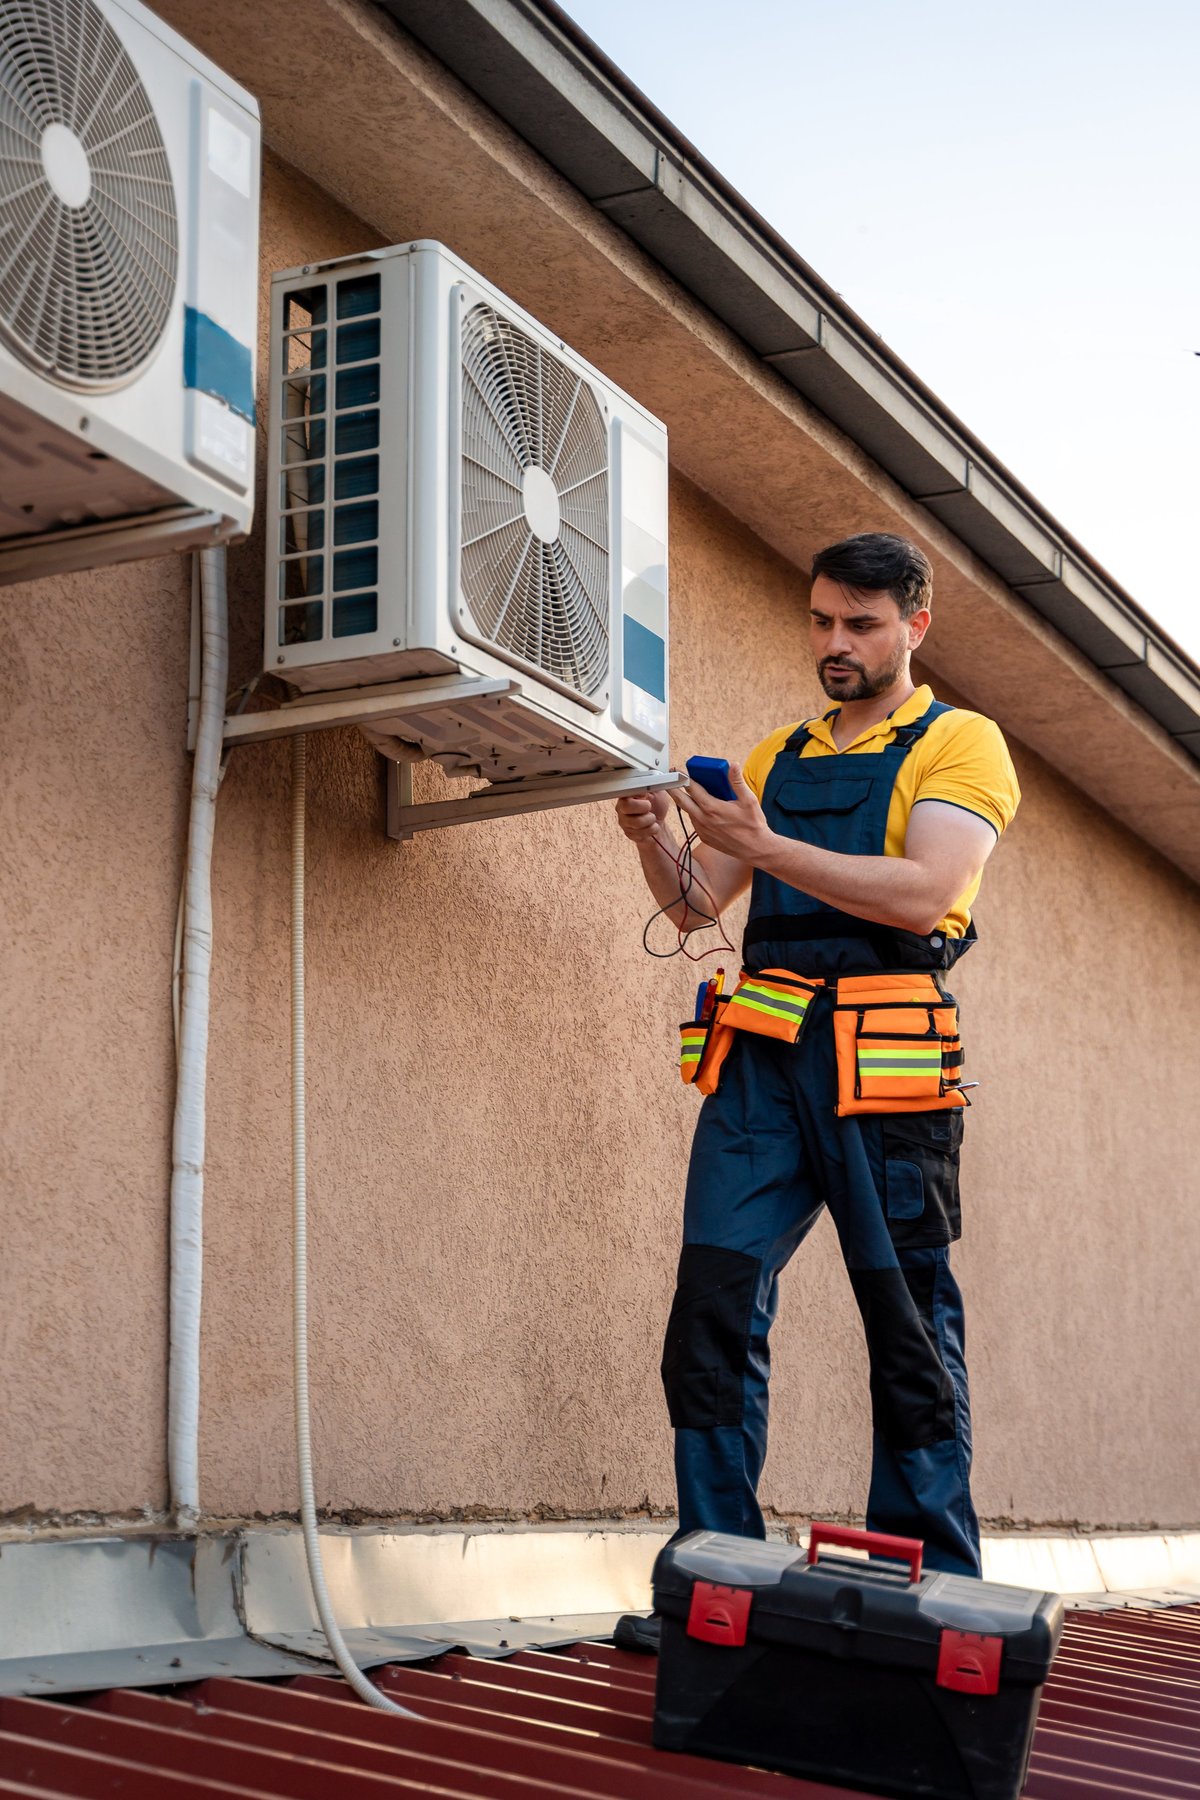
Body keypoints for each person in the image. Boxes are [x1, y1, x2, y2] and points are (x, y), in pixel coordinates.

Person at [613, 532, 1020, 1653]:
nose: (834, 643)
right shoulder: (778, 752)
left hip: (888, 1062)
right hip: (764, 1064)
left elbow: (925, 889)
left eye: (861, 625)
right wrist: (658, 840)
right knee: (710, 1316)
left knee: (908, 1330)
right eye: (820, 621)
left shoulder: (964, 744)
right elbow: (701, 903)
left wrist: (766, 846)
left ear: (914, 628)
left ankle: (928, 1593)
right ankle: (714, 1581)